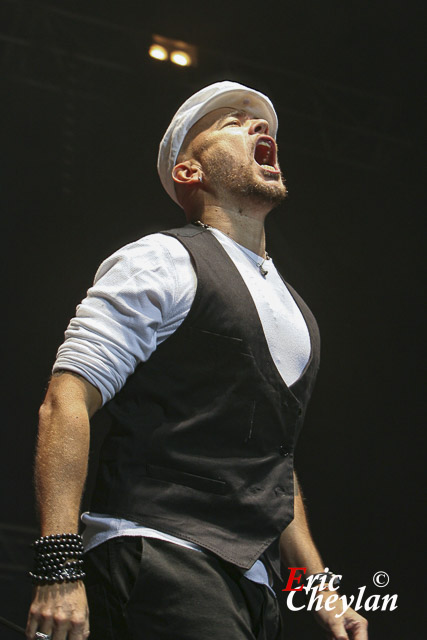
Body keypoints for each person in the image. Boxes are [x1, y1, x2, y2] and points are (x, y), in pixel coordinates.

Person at [26, 81, 368, 640]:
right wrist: (58, 568)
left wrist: (320, 588)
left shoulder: (295, 307)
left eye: (263, 125)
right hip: (158, 550)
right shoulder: (161, 259)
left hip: (253, 583)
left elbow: (270, 466)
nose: (259, 127)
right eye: (233, 122)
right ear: (190, 172)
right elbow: (66, 400)